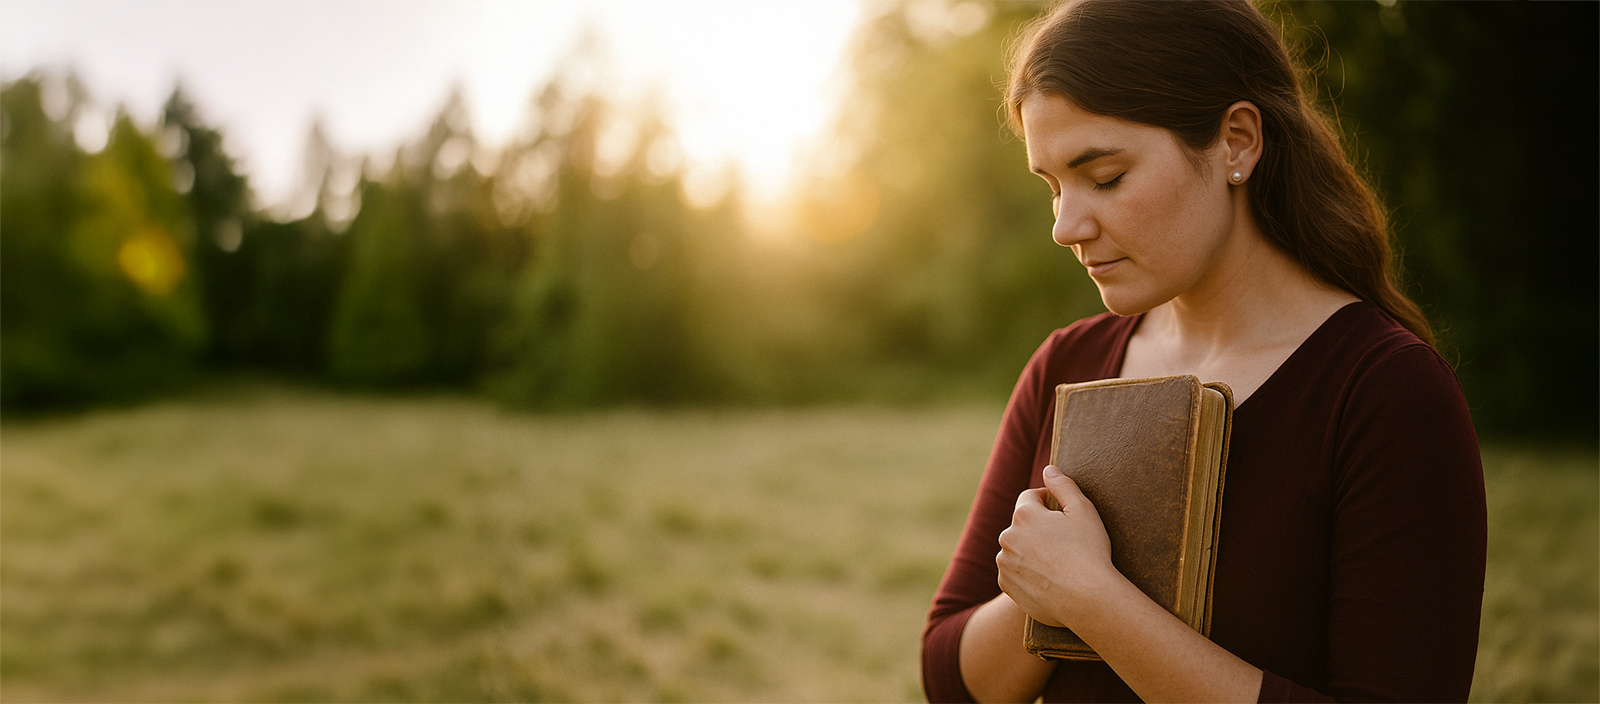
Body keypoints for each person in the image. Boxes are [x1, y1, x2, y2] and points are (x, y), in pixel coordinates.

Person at [920, 1, 1486, 701]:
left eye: (1104, 177)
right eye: (1053, 186)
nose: (1065, 226)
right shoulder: (1066, 365)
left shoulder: (1386, 394)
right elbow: (950, 679)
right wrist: (1036, 594)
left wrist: (1093, 600)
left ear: (1237, 142)